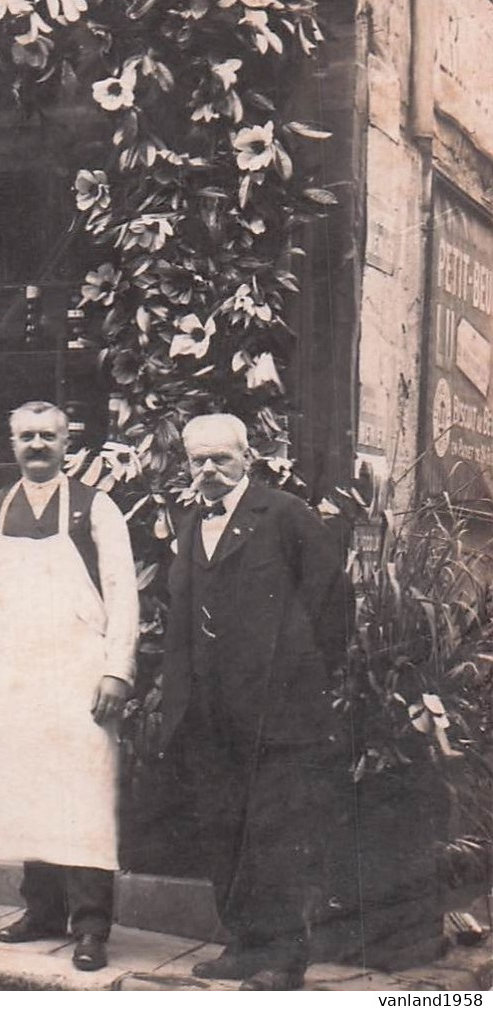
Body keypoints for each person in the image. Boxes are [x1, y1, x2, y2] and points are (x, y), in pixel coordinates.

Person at [160, 413, 345, 990]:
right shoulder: (191, 524)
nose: (209, 470)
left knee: (274, 833)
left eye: (221, 458)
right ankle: (242, 945)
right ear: (187, 465)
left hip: (278, 710)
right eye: (199, 461)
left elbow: (333, 603)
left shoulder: (285, 514)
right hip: (210, 712)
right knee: (224, 828)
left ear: (248, 458)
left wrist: (303, 680)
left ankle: (283, 959)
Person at [0, 400, 139, 972]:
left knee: (84, 799)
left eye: (48, 436)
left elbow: (123, 596)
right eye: (26, 437)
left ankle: (90, 926)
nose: (37, 446)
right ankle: (41, 912)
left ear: (67, 443)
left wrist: (117, 670)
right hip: (17, 677)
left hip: (81, 679)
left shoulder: (96, 508)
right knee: (28, 792)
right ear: (11, 444)